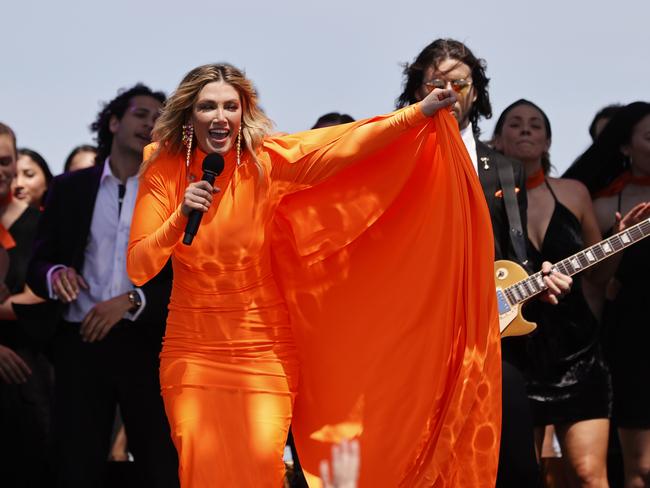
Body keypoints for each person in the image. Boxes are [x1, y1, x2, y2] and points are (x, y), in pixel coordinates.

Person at [127, 63, 501, 487]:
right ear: (189, 114)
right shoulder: (163, 167)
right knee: (202, 471)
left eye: (231, 106)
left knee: (260, 471)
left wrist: (416, 114)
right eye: (208, 106)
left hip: (263, 352)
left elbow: (345, 144)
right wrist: (180, 218)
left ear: (243, 112)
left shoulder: (267, 161)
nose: (220, 117)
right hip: (192, 354)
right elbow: (139, 267)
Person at [396, 38, 572, 488]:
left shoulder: (504, 168)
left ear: (476, 91)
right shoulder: (394, 156)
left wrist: (542, 275)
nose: (448, 91)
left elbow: (513, 254)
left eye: (460, 82)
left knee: (513, 467)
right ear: (418, 89)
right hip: (415, 338)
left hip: (490, 341)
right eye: (436, 81)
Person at [26, 84, 179, 488]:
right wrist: (55, 274)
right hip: (80, 343)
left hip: (146, 345)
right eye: (140, 114)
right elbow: (36, 263)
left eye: (157, 118)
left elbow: (183, 274)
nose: (149, 124)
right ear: (113, 121)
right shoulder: (70, 187)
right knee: (75, 462)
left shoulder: (172, 189)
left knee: (158, 462)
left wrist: (132, 301)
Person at [492, 99, 650, 488]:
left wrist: (618, 243)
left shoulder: (575, 192)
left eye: (535, 124)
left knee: (589, 476)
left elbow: (599, 278)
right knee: (522, 475)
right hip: (512, 354)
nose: (526, 129)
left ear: (548, 141)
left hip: (576, 351)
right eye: (515, 124)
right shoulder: (482, 201)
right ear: (496, 140)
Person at [564, 102, 650, 488]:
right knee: (643, 468)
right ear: (625, 148)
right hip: (633, 337)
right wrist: (617, 244)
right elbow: (590, 280)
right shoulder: (602, 204)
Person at [0, 123, 52, 487]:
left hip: (27, 377)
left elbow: (46, 297)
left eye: (5, 160)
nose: (0, 169)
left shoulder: (41, 225)